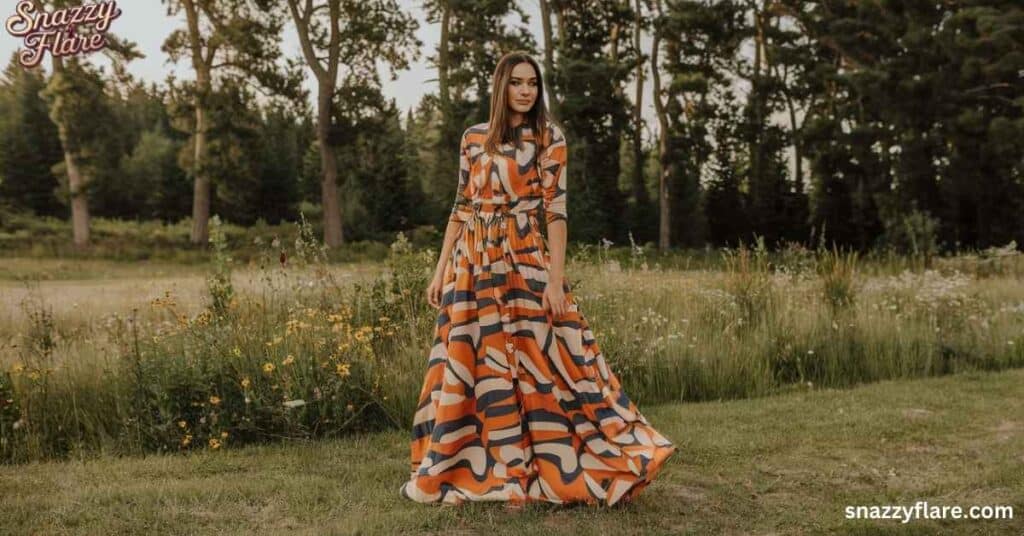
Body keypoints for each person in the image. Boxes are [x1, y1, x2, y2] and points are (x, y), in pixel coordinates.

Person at [400, 50, 676, 509]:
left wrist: (554, 280)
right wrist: (441, 267)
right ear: (501, 87)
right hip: (474, 263)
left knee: (548, 360)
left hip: (524, 258)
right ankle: (481, 466)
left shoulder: (550, 137)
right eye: (517, 82)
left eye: (533, 83)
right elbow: (461, 206)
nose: (526, 90)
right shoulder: (473, 138)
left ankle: (575, 457)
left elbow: (556, 212)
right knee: (474, 366)